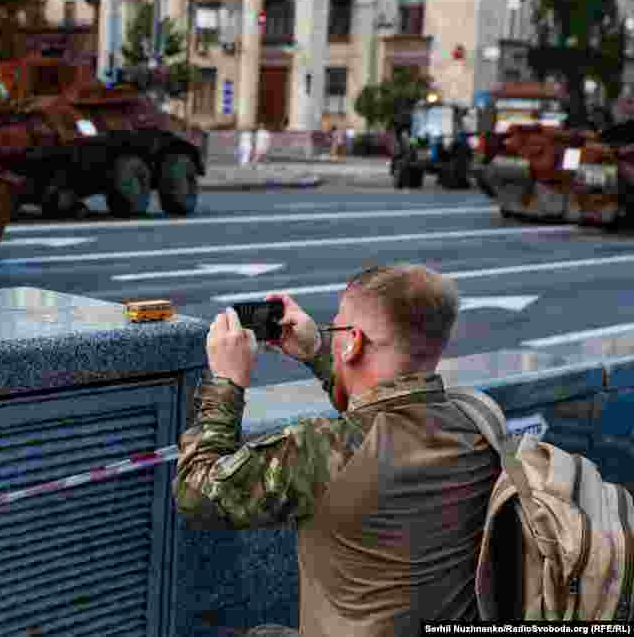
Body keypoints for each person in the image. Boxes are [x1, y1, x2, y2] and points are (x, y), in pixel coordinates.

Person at [172, 263, 500, 637]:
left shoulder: (323, 451)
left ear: (355, 342)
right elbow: (382, 420)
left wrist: (226, 383)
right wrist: (318, 350)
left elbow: (196, 491)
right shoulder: (478, 421)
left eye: (337, 327)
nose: (333, 332)